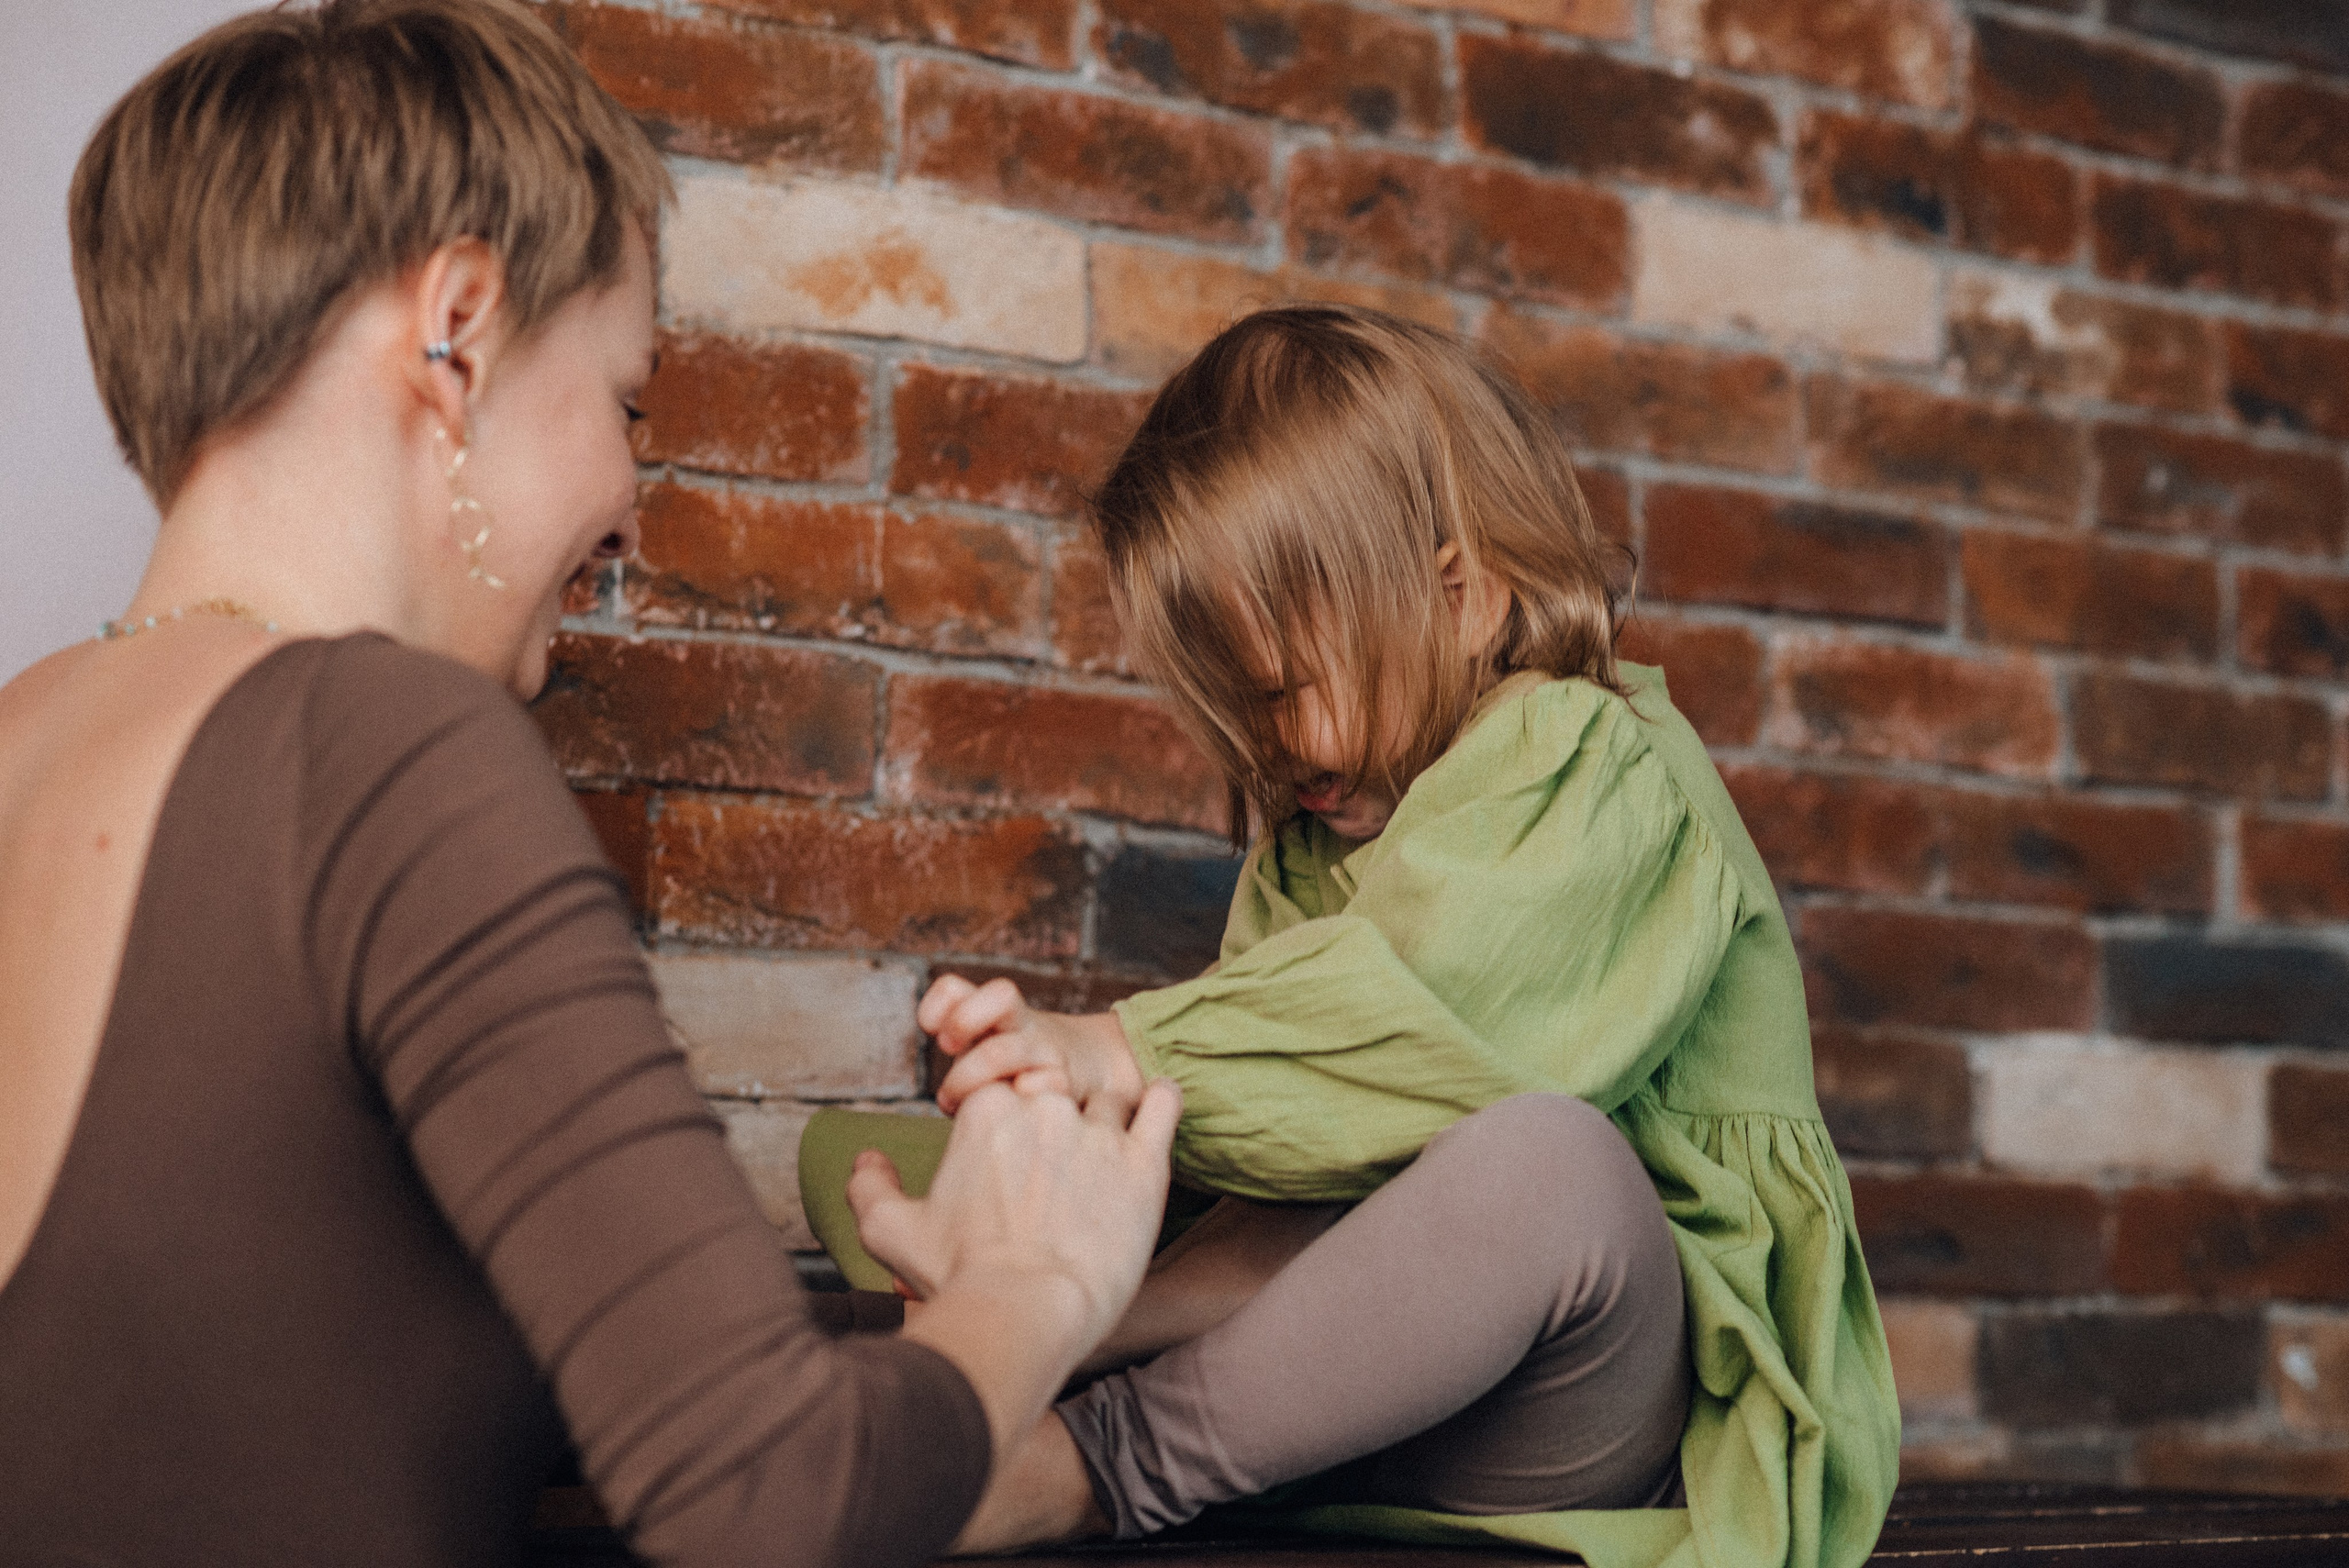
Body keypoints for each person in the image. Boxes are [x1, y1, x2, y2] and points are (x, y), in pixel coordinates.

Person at [0, 3, 1180, 1564]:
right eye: (628, 402)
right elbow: (771, 1498)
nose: (632, 507)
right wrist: (1039, 1282)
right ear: (459, 329)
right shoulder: (380, 747)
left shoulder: (25, 731)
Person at [816, 306, 1901, 1567]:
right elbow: (1311, 1152)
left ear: (1462, 595)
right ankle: (1035, 1313)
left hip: (1592, 1414)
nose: (1266, 745)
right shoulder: (1313, 847)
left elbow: (1442, 1024)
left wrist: (1116, 1052)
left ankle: (1088, 1448)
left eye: (1280, 690)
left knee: (1548, 1164)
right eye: (1231, 707)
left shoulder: (1591, 759)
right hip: (1338, 1398)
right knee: (930, 1158)